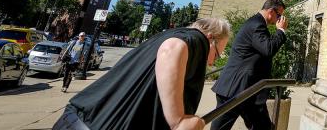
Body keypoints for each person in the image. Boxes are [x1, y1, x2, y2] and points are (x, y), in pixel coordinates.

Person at [52, 17, 231, 130]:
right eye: (216, 54)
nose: (212, 62)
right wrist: (179, 121)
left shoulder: (165, 35)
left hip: (77, 118)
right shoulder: (196, 39)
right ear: (209, 37)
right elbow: (172, 49)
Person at [210, 0, 289, 130]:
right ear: (270, 11)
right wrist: (280, 31)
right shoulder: (257, 25)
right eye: (279, 15)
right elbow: (268, 49)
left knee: (263, 126)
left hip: (247, 90)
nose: (280, 19)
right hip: (236, 90)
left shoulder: (256, 23)